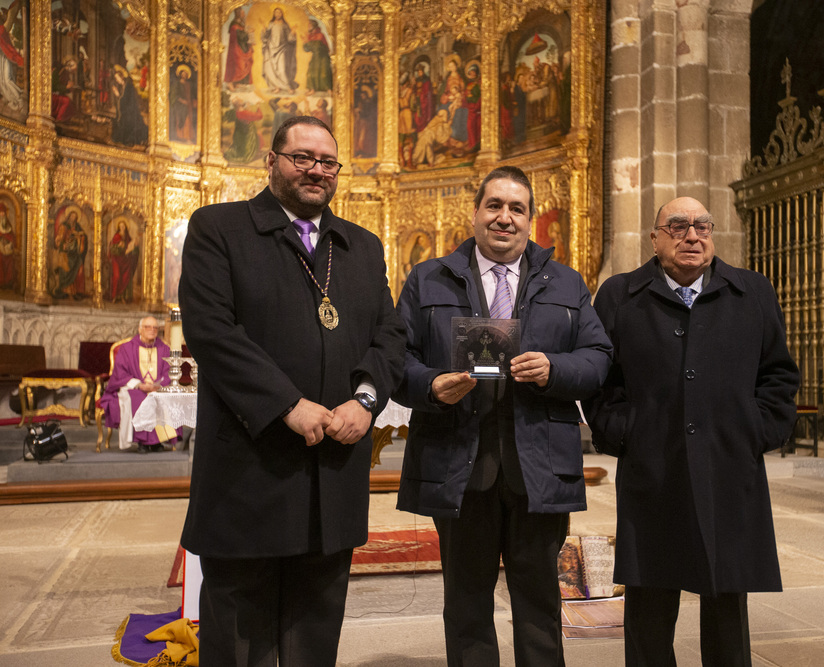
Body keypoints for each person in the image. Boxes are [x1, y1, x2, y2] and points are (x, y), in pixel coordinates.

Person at [178, 115, 405, 665]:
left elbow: (390, 336)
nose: (316, 171)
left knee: (315, 633)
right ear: (271, 161)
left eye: (327, 162)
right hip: (250, 474)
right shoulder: (220, 229)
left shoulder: (362, 246)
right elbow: (212, 332)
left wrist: (366, 401)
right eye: (301, 157)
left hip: (333, 473)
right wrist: (286, 404)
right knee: (239, 638)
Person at [394, 165, 612, 665]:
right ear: (475, 214)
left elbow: (599, 357)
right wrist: (431, 384)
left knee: (538, 605)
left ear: (531, 220)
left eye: (517, 208)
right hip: (459, 463)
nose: (504, 218)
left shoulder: (566, 282)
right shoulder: (429, 277)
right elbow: (395, 356)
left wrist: (554, 367)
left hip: (538, 466)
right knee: (466, 604)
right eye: (494, 205)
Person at [583, 196, 800, 666]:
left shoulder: (752, 291)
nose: (693, 235)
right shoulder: (620, 295)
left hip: (728, 469)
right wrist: (625, 433)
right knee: (650, 609)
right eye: (678, 226)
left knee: (726, 609)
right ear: (656, 238)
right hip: (653, 472)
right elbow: (601, 381)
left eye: (702, 225)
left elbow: (779, 376)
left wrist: (754, 432)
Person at [98, 316, 178, 452]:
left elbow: (169, 372)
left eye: (155, 328)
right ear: (140, 329)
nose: (152, 330)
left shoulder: (164, 349)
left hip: (156, 388)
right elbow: (120, 373)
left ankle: (157, 441)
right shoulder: (127, 348)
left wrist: (157, 386)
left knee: (162, 397)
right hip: (132, 387)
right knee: (139, 398)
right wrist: (139, 385)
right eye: (148, 327)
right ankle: (143, 442)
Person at [261, 7, 297, 93]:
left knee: (282, 68)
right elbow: (266, 36)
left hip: (282, 48)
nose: (278, 14)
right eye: (276, 13)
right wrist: (263, 28)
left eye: (279, 13)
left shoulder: (285, 25)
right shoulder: (271, 24)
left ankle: (288, 87)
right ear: (274, 14)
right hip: (271, 48)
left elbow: (289, 38)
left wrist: (292, 32)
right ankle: (277, 87)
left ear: (282, 14)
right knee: (271, 68)